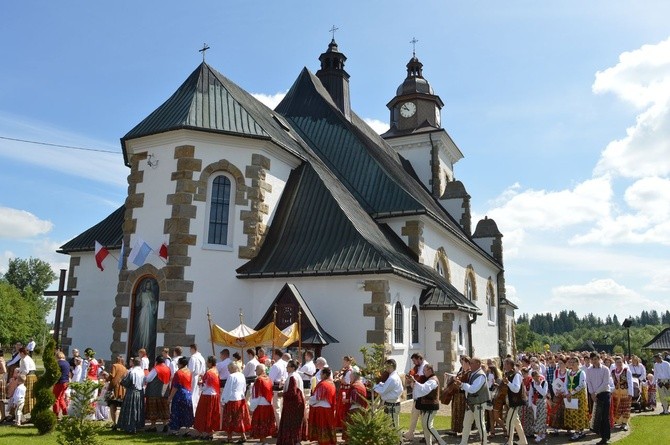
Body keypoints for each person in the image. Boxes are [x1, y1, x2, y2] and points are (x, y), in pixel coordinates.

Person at [412, 363, 447, 445]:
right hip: (427, 406)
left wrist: (415, 382)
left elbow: (424, 389)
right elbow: (422, 389)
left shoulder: (433, 380)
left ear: (430, 370)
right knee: (425, 426)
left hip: (431, 406)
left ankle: (442, 442)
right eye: (423, 370)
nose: (423, 372)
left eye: (425, 370)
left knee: (428, 425)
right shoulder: (429, 379)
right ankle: (429, 443)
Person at [277, 359, 306, 445]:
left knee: (291, 424)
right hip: (297, 403)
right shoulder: (296, 376)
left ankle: (292, 441)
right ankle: (296, 441)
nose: (286, 368)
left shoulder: (293, 377)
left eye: (288, 366)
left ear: (293, 368)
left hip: (293, 404)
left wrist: (282, 394)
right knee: (295, 424)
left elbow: (292, 392)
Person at [221, 362, 251, 443]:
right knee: (239, 418)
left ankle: (229, 437)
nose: (228, 370)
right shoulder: (241, 375)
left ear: (233, 368)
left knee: (229, 419)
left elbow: (227, 389)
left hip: (232, 399)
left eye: (229, 368)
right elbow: (244, 388)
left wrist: (223, 401)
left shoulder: (231, 376)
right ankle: (243, 436)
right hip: (240, 398)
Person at [586, 352, 611, 445]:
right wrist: (592, 393)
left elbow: (605, 383)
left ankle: (605, 438)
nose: (594, 361)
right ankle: (601, 434)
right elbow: (589, 382)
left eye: (595, 359)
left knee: (605, 417)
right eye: (592, 359)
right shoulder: (589, 370)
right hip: (594, 395)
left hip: (604, 393)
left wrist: (596, 392)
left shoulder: (605, 369)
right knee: (597, 416)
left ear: (599, 359)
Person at [194, 356, 221, 441]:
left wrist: (200, 384)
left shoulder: (209, 372)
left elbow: (205, 386)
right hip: (215, 395)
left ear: (210, 362)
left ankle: (203, 433)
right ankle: (210, 433)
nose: (206, 363)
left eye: (207, 362)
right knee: (212, 414)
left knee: (203, 414)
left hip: (207, 395)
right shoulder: (216, 371)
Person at [373, 358, 404, 432]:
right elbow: (386, 386)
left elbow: (383, 391)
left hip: (392, 405)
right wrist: (380, 384)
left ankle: (398, 442)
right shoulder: (393, 376)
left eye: (386, 366)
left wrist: (374, 386)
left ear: (391, 366)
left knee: (394, 426)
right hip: (391, 403)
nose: (385, 368)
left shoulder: (392, 378)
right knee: (391, 425)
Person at [308, 366, 337, 445]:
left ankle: (323, 442)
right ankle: (330, 441)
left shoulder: (323, 384)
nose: (320, 375)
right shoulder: (332, 383)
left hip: (322, 408)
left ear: (324, 374)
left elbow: (318, 397)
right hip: (329, 408)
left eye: (321, 374)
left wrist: (309, 400)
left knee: (322, 425)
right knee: (328, 425)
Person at [502, 357, 528, 445]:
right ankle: (523, 441)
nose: (504, 366)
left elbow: (516, 389)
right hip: (512, 401)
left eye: (505, 364)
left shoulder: (516, 374)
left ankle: (509, 442)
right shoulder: (508, 373)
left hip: (516, 401)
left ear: (509, 364)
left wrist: (508, 383)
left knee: (509, 421)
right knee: (516, 422)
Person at [250, 364, 278, 443]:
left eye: (256, 369)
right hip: (268, 404)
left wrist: (252, 408)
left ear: (261, 370)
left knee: (260, 423)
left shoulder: (259, 380)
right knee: (266, 423)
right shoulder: (268, 378)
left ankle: (262, 441)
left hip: (260, 405)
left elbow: (256, 395)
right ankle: (263, 441)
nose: (255, 371)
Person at [117, 357, 145, 434]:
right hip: (140, 392)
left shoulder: (132, 372)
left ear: (133, 363)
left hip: (132, 392)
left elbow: (126, 382)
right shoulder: (142, 372)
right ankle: (137, 426)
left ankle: (129, 427)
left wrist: (121, 380)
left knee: (131, 410)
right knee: (138, 410)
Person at [404, 352, 428, 441]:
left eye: (414, 360)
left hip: (423, 397)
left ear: (419, 359)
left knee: (423, 418)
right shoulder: (418, 367)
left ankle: (428, 437)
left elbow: (421, 381)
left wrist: (412, 380)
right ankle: (410, 434)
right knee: (414, 415)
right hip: (417, 396)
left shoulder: (425, 367)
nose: (414, 363)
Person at [564, 356, 589, 441]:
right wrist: (567, 393)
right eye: (571, 362)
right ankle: (578, 431)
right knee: (572, 413)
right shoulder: (569, 372)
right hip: (570, 395)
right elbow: (566, 383)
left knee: (579, 413)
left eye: (574, 362)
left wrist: (571, 393)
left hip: (579, 396)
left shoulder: (581, 372)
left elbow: (582, 385)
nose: (572, 364)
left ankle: (578, 432)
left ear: (578, 363)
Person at [167, 356, 194, 434]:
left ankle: (175, 430)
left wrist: (170, 398)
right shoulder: (189, 372)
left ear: (181, 364)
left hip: (179, 394)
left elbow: (175, 387)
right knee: (187, 412)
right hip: (188, 394)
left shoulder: (178, 373)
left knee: (176, 412)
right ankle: (187, 430)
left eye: (178, 363)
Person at [144, 356, 171, 432]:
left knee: (153, 410)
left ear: (157, 362)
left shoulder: (156, 369)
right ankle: (165, 425)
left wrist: (144, 377)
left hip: (154, 392)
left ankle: (153, 427)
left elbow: (148, 379)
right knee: (164, 410)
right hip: (164, 393)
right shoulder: (168, 369)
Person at [133, 278, 158, 355]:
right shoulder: (142, 294)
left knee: (149, 330)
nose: (148, 285)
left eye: (149, 284)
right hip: (143, 312)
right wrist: (139, 295)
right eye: (147, 284)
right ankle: (141, 346)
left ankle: (146, 347)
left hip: (149, 313)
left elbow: (154, 304)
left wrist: (153, 302)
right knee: (142, 330)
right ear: (145, 285)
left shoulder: (151, 294)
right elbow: (137, 304)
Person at [450, 355, 472, 436]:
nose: (461, 364)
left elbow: (466, 383)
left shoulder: (469, 372)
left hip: (463, 395)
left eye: (463, 362)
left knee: (461, 412)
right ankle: (455, 429)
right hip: (457, 394)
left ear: (467, 363)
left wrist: (458, 380)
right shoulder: (462, 370)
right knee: (456, 411)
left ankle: (463, 430)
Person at [610, 356, 633, 430]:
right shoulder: (613, 371)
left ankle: (625, 423)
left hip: (625, 392)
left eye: (620, 362)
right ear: (615, 363)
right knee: (617, 407)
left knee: (625, 407)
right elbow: (611, 382)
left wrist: (630, 393)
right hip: (616, 392)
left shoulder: (626, 371)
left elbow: (630, 382)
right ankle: (619, 421)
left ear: (622, 362)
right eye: (617, 362)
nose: (619, 364)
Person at [269, 348, 288, 426]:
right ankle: (281, 426)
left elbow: (270, 379)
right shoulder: (285, 363)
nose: (272, 355)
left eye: (273, 354)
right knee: (281, 408)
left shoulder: (276, 366)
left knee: (277, 409)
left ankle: (279, 427)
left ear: (276, 355)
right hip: (283, 387)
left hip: (276, 388)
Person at [108, 355, 127, 428]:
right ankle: (121, 423)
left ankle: (114, 423)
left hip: (114, 388)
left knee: (112, 406)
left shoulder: (114, 365)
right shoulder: (125, 368)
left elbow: (112, 376)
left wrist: (107, 378)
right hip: (122, 389)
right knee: (121, 406)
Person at [528, 370, 548, 443]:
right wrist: (530, 404)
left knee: (541, 418)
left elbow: (543, 393)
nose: (537, 378)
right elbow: (530, 394)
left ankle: (539, 436)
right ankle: (542, 433)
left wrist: (538, 386)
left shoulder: (544, 382)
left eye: (537, 376)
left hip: (542, 402)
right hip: (535, 403)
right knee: (536, 418)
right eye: (535, 376)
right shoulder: (532, 383)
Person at [18, 347, 37, 416]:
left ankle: (29, 411)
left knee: (28, 394)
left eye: (19, 353)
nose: (19, 354)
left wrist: (20, 375)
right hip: (32, 376)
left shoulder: (25, 359)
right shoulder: (27, 358)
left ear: (22, 353)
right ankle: (29, 411)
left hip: (29, 376)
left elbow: (26, 370)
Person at [188, 343, 206, 413]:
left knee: (192, 393)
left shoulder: (193, 357)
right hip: (200, 377)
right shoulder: (202, 358)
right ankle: (197, 411)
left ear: (193, 349)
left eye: (190, 349)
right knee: (198, 394)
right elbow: (204, 370)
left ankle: (191, 412)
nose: (190, 351)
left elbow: (191, 369)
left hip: (194, 377)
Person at [53, 351, 71, 418]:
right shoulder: (67, 363)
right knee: (61, 398)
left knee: (55, 399)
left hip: (59, 382)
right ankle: (65, 412)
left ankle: (56, 414)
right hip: (66, 382)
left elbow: (55, 374)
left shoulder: (58, 363)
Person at [0, 349, 6, 423]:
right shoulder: (2, 359)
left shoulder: (0, 360)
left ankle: (3, 415)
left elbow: (4, 370)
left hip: (0, 379)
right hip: (1, 379)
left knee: (0, 399)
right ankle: (2, 415)